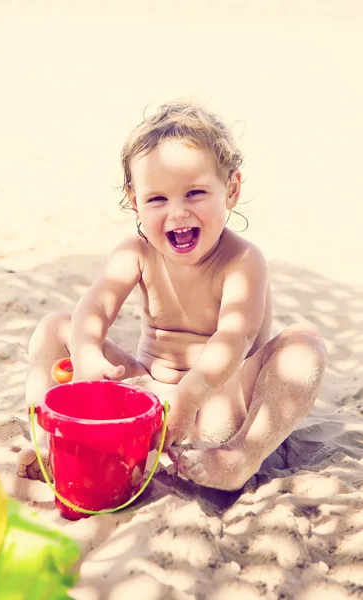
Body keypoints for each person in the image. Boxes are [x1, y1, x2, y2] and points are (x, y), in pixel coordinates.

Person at [17, 102, 326, 490]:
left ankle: (241, 456)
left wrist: (191, 395)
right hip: (144, 397)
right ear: (134, 199)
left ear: (231, 189)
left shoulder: (243, 261)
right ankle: (53, 445)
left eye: (195, 193)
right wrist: (86, 357)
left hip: (216, 406)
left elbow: (235, 337)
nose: (177, 213)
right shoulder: (136, 252)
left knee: (305, 342)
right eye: (157, 199)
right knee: (56, 326)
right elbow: (95, 307)